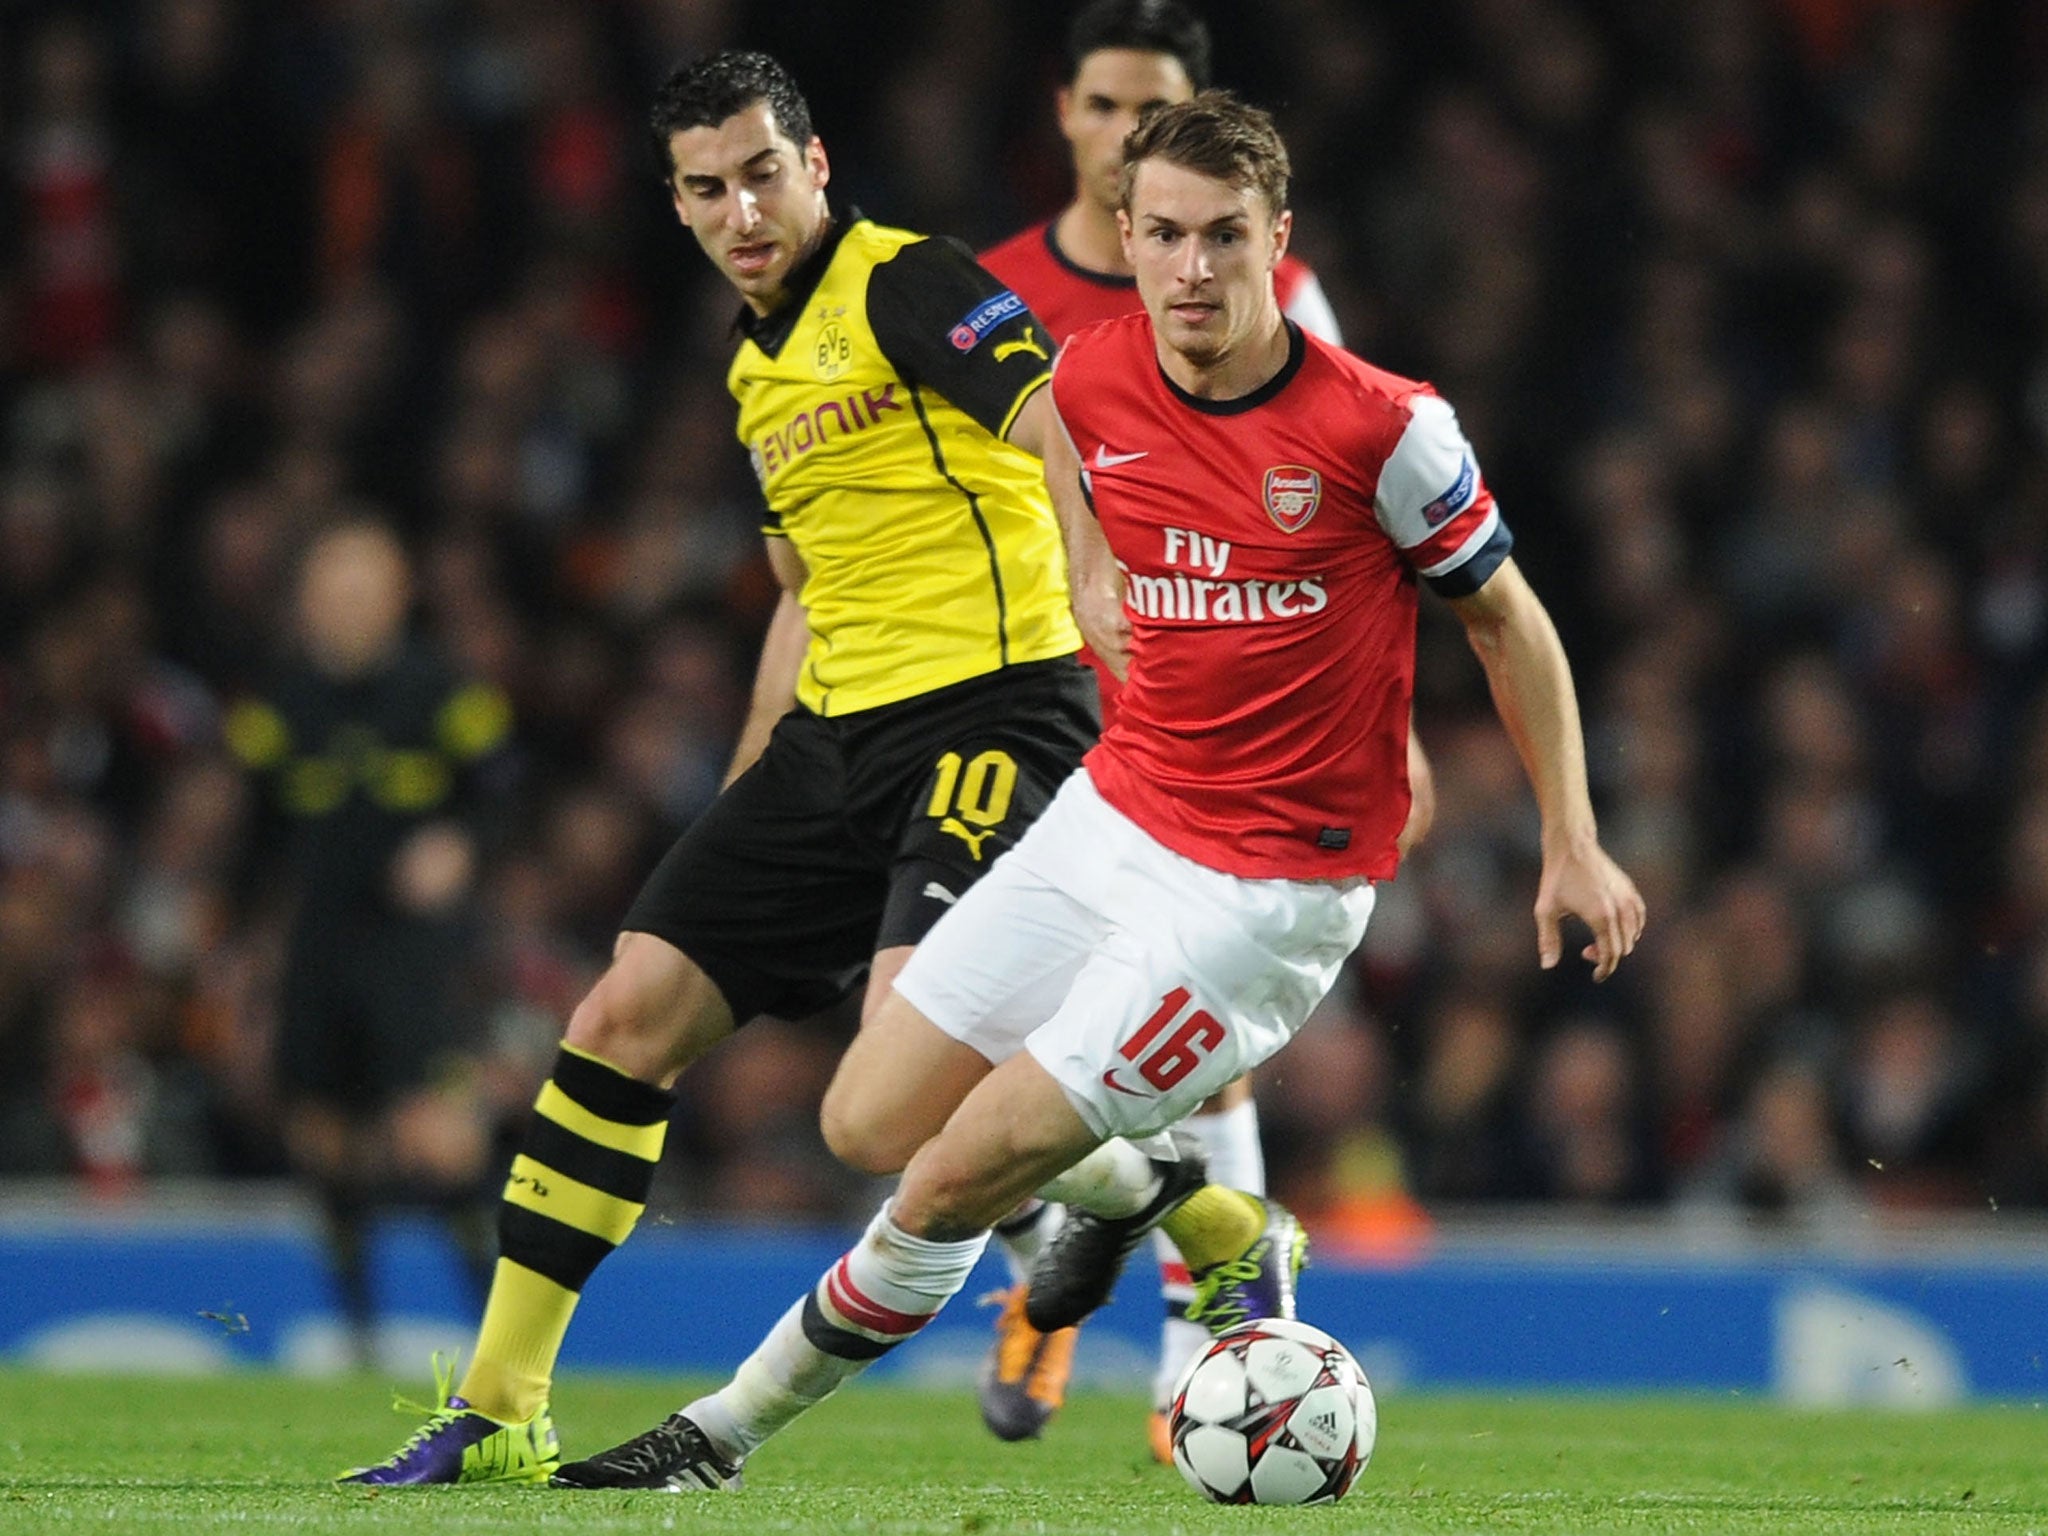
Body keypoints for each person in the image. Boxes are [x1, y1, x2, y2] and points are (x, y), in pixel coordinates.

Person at [553, 89, 1644, 1494]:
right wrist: (1079, 569)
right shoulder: (1092, 378)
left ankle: (712, 1439)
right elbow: (1060, 473)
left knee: (950, 1176)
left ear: (1279, 240)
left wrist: (1574, 841)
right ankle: (1207, 1213)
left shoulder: (1385, 430)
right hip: (1116, 815)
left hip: (1271, 891)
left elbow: (1511, 623)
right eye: (1169, 237)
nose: (1196, 270)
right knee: (862, 1122)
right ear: (1125, 236)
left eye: (1227, 239)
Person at [339, 49, 1221, 1487]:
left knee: (896, 1058)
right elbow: (803, 585)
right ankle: (504, 1409)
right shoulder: (755, 369)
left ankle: (1175, 1205)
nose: (742, 208)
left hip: (995, 708)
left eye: (764, 172)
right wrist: (757, 771)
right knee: (623, 1013)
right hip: (835, 735)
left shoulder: (907, 280)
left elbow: (1056, 411)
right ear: (679, 207)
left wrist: (1091, 568)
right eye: (708, 188)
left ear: (814, 165)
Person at [976, 0, 1437, 1455]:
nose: (1129, 134)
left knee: (1196, 1044)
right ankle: (1045, 1272)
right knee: (957, 1023)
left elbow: (1356, 493)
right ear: (1070, 121)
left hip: (1214, 705)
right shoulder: (989, 289)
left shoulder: (1275, 290)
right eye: (1109, 108)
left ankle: (1197, 1347)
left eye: (1157, 108)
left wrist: (1395, 728)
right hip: (1021, 688)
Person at [226, 519, 512, 1365]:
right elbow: (254, 843)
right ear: (307, 601)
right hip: (318, 949)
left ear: (398, 599)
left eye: (365, 589)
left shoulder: (445, 693)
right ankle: (359, 1335)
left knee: (438, 1138)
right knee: (324, 1139)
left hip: (415, 953)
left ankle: (505, 1349)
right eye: (333, 590)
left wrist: (460, 840)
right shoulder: (276, 706)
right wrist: (244, 952)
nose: (347, 607)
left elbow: (504, 796)